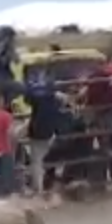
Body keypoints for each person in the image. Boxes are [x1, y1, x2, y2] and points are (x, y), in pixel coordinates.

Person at [25, 66, 66, 195]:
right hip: (52, 129)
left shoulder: (37, 96)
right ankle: (48, 185)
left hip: (38, 130)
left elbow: (28, 98)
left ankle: (38, 189)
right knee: (48, 158)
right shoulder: (55, 96)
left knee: (37, 161)